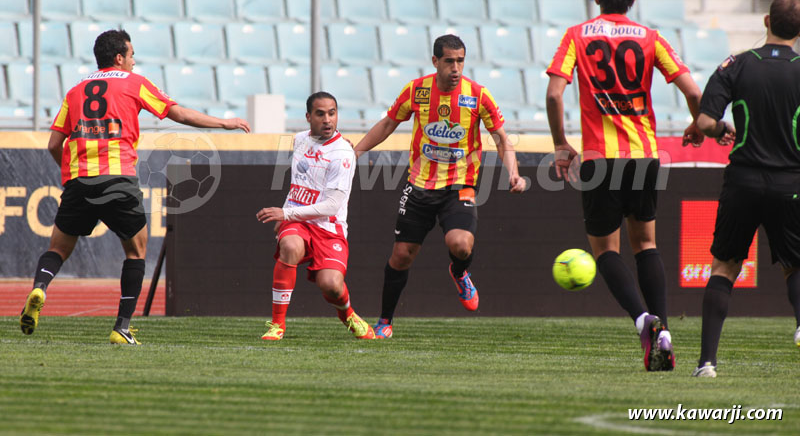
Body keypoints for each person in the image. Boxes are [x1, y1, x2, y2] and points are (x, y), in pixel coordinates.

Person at [19, 29, 251, 345]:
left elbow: (53, 143)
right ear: (119, 57)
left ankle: (39, 288)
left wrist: (72, 171)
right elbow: (177, 113)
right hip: (118, 179)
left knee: (57, 248)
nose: (133, 60)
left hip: (80, 180)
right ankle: (121, 328)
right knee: (136, 251)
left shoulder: (75, 91)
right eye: (131, 54)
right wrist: (225, 123)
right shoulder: (135, 83)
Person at [545, 0, 706, 371]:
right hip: (645, 154)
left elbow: (553, 93)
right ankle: (664, 329)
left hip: (602, 157)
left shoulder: (577, 35)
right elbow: (692, 90)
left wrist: (561, 144)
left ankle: (643, 321)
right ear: (632, 0)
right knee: (646, 245)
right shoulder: (651, 38)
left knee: (605, 250)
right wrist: (698, 123)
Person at [354, 34, 526, 339]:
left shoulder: (478, 95)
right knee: (402, 255)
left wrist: (513, 173)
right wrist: (356, 151)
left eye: (460, 60)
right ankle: (385, 320)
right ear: (436, 62)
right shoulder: (416, 91)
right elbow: (387, 123)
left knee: (460, 245)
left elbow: (501, 138)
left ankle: (459, 273)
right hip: (419, 185)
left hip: (460, 185)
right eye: (449, 61)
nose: (456, 68)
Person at [693, 0, 800, 378]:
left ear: (766, 22)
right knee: (795, 265)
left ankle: (707, 363)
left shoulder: (736, 65)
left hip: (742, 181)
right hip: (791, 181)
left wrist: (723, 128)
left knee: (725, 266)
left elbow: (706, 123)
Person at [256, 92, 375, 341]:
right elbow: (300, 183)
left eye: (332, 113)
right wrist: (288, 215)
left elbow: (331, 206)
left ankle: (349, 315)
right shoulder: (300, 140)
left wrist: (285, 212)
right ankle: (277, 325)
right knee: (289, 245)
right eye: (320, 114)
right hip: (298, 222)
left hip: (328, 227)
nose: (327, 119)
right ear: (308, 117)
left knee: (331, 284)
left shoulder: (343, 154)